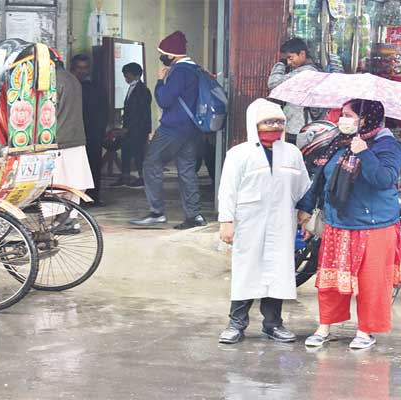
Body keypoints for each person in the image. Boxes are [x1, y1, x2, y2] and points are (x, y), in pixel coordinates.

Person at [298, 99, 401, 350]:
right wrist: (305, 208)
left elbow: (385, 179)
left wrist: (364, 153)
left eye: (347, 115)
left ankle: (365, 331)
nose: (341, 119)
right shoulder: (339, 142)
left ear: (365, 119)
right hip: (338, 222)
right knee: (331, 279)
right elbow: (321, 179)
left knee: (371, 282)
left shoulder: (387, 145)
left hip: (374, 225)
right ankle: (324, 326)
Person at [217, 98, 310, 344]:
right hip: (248, 223)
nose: (274, 126)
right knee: (246, 272)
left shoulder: (292, 153)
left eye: (278, 121)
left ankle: (273, 324)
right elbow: (227, 189)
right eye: (267, 122)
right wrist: (226, 220)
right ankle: (236, 324)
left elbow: (304, 188)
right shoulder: (238, 154)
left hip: (281, 222)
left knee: (278, 273)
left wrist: (305, 212)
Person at [129, 31, 208, 229]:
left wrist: (159, 81)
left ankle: (157, 212)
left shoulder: (179, 71)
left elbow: (164, 99)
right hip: (192, 129)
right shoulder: (196, 70)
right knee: (187, 171)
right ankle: (194, 215)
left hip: (173, 128)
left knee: (151, 164)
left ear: (172, 55)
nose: (161, 57)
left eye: (162, 53)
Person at [54, 58, 95, 205]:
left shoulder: (52, 81)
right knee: (74, 182)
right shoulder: (73, 80)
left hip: (58, 139)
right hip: (76, 139)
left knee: (56, 184)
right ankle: (71, 218)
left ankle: (55, 219)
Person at [268, 38, 324, 145]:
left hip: (299, 129)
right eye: (287, 59)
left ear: (302, 54)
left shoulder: (305, 72)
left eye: (290, 58)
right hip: (303, 127)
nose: (288, 62)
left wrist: (280, 64)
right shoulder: (314, 69)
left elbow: (273, 83)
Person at [70, 54, 107, 206]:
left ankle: (92, 197)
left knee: (93, 166)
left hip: (92, 134)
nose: (82, 71)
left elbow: (103, 110)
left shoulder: (95, 87)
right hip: (72, 135)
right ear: (73, 68)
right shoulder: (68, 85)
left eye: (85, 68)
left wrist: (100, 131)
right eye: (79, 68)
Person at [111, 62, 152, 189]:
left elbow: (141, 113)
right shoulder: (131, 88)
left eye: (128, 76)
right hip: (129, 127)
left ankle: (142, 178)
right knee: (126, 152)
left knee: (139, 153)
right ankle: (125, 176)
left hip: (138, 128)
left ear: (136, 75)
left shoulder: (143, 90)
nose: (126, 79)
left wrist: (128, 128)